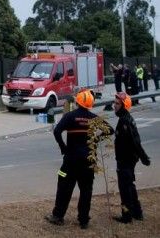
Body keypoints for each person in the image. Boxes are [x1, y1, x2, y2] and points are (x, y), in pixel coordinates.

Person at [45, 89, 111, 229]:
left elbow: (57, 131)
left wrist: (63, 147)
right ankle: (84, 220)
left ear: (77, 102)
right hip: (88, 161)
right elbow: (110, 129)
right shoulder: (94, 118)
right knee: (86, 190)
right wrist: (95, 140)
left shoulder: (70, 116)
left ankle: (58, 216)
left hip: (71, 161)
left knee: (63, 186)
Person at [111, 92, 151, 223]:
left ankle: (127, 216)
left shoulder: (125, 121)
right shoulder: (124, 118)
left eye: (117, 104)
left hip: (126, 160)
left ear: (124, 105)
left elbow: (135, 141)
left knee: (125, 188)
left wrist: (144, 156)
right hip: (127, 159)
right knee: (129, 186)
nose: (114, 106)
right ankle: (137, 212)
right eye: (115, 103)